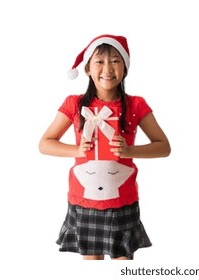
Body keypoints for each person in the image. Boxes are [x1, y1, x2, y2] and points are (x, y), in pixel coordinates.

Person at [39, 34, 170, 260]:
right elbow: (45, 143)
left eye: (115, 61)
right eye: (99, 61)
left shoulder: (136, 104)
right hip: (84, 200)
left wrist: (131, 151)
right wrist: (77, 150)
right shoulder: (74, 103)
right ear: (88, 68)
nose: (107, 69)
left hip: (123, 201)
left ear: (125, 67)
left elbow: (163, 147)